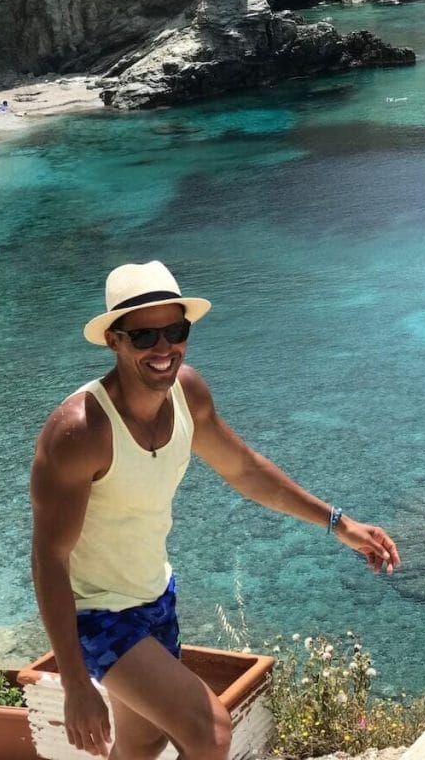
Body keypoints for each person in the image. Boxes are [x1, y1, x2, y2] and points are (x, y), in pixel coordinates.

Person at [29, 260, 401, 759]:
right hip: (96, 613)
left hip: (155, 595)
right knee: (210, 732)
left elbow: (245, 469)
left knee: (141, 743)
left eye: (175, 331)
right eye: (144, 337)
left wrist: (337, 522)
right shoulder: (80, 431)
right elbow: (49, 557)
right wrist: (75, 683)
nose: (164, 349)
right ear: (114, 340)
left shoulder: (188, 393)